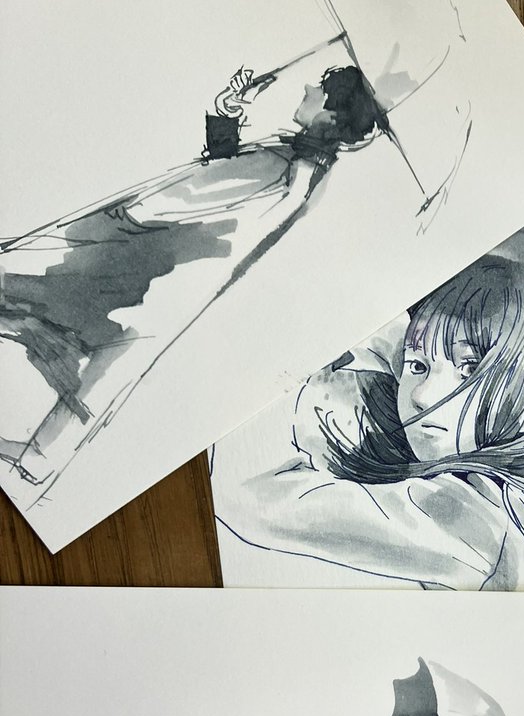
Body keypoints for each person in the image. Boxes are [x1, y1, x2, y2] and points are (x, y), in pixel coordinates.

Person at [0, 60, 386, 487]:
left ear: (330, 116)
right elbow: (223, 173)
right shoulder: (294, 155)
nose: (309, 87)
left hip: (158, 257)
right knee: (91, 342)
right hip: (148, 245)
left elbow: (232, 207)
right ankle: (39, 453)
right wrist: (228, 113)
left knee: (93, 342)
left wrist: (135, 220)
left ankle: (39, 453)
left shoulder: (302, 172)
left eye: (321, 89)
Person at [214, 256, 524, 592]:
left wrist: (289, 372)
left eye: (468, 371)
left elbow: (241, 495)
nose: (421, 395)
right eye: (417, 366)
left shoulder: (470, 519)